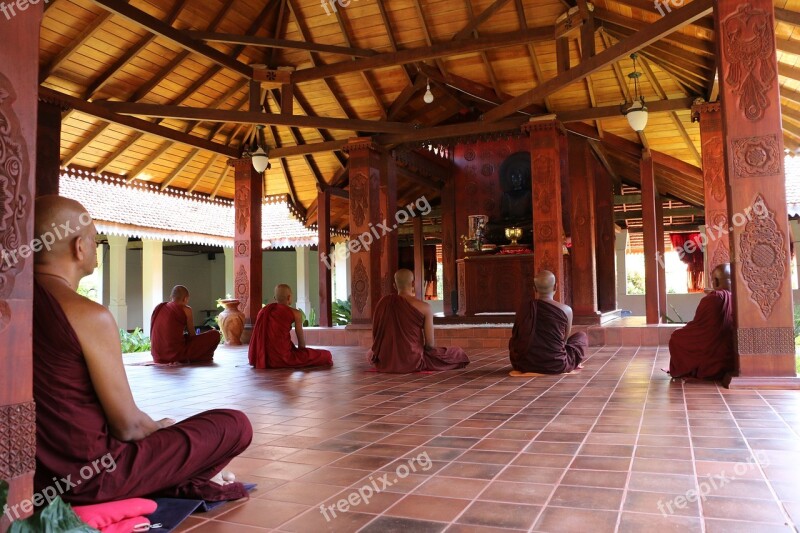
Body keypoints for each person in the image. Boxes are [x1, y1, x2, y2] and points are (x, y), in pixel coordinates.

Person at [33, 195, 252, 504]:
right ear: (78, 247)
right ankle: (179, 477)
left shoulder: (13, 307)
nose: (97, 247)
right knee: (234, 425)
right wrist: (161, 429)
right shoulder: (88, 315)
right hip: (92, 478)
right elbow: (129, 426)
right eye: (95, 240)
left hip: (34, 478)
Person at [369, 269, 470, 373]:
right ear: (413, 283)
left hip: (385, 360)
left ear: (394, 285)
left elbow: (376, 339)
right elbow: (430, 344)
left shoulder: (383, 303)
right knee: (457, 353)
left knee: (369, 353)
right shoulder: (425, 307)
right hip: (412, 360)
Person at [508, 270, 587, 375]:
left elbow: (516, 337)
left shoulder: (524, 309)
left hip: (524, 364)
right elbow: (564, 341)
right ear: (556, 287)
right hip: (556, 364)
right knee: (582, 336)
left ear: (534, 289)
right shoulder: (566, 310)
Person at [668, 263, 734, 379]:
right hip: (729, 345)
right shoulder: (738, 296)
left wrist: (686, 328)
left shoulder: (714, 297)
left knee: (676, 336)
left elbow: (699, 326)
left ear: (716, 281)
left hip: (709, 343)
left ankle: (693, 367)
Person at [248, 284, 333, 369]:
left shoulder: (264, 311)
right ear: (289, 298)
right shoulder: (295, 313)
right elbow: (300, 339)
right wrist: (302, 354)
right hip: (284, 357)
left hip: (264, 358)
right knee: (326, 355)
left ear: (275, 298)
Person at [150, 285, 220, 364]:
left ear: (171, 297)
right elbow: (192, 335)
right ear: (186, 298)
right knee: (215, 334)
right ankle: (198, 357)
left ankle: (197, 357)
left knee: (186, 338)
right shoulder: (186, 310)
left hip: (157, 356)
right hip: (176, 355)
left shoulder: (159, 307)